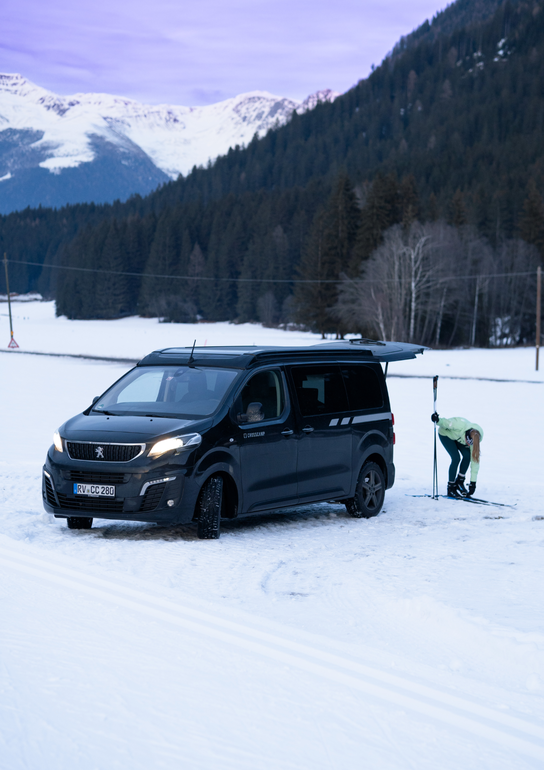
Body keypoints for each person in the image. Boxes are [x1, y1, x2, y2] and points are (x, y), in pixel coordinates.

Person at [431, 413, 483, 497]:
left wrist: (473, 483)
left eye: (470, 444)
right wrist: (437, 420)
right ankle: (451, 487)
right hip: (446, 435)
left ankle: (459, 482)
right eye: (467, 442)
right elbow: (445, 422)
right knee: (456, 458)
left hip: (459, 439)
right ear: (466, 435)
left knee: (467, 456)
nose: (468, 444)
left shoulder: (475, 439)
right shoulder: (458, 425)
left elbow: (475, 461)